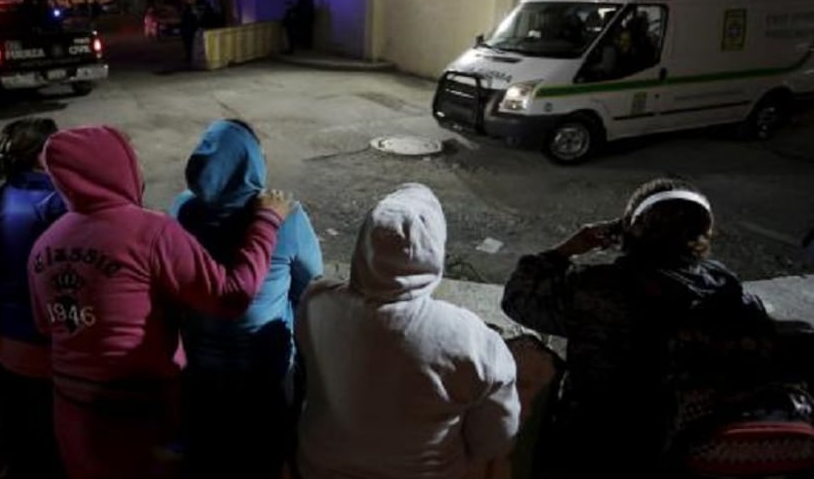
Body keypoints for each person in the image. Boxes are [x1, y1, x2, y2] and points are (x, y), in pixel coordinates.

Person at [28, 125, 293, 479]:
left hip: (71, 413)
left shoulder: (45, 243)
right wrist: (267, 221)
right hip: (140, 413)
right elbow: (232, 297)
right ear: (113, 167)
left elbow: (47, 324)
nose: (139, 168)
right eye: (131, 159)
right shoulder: (150, 232)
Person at [501, 178, 778, 478]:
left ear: (628, 229)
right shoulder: (725, 289)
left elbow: (517, 299)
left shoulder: (596, 288)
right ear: (703, 232)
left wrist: (565, 250)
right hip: (683, 444)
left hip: (593, 441)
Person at [295, 183, 520, 479]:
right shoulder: (470, 339)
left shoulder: (316, 301)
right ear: (434, 250)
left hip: (317, 469)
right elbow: (496, 439)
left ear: (364, 244)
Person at [170, 119, 323, 478]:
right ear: (251, 161)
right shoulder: (285, 216)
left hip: (199, 369)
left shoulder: (182, 211)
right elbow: (310, 283)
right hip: (265, 372)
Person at [0, 117, 66, 479]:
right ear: (42, 156)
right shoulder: (60, 206)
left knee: (19, 434)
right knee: (51, 439)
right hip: (38, 342)